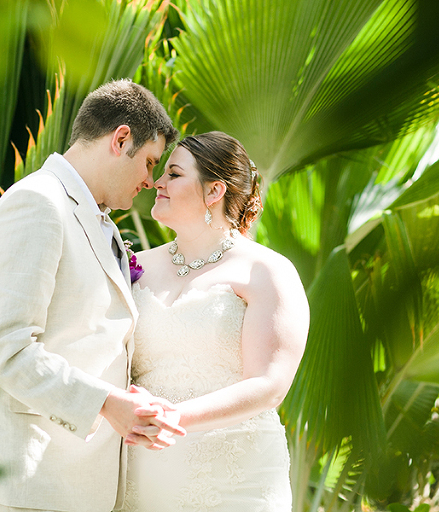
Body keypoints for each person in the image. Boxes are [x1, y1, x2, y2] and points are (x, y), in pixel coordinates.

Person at [0, 79, 186, 512]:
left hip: (74, 484)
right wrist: (105, 403)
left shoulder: (99, 221)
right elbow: (6, 349)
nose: (150, 180)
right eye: (150, 162)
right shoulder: (38, 204)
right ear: (121, 139)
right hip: (28, 481)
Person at [122, 132, 309, 511]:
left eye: (173, 174)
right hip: (145, 475)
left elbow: (269, 385)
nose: (157, 182)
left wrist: (174, 418)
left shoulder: (266, 271)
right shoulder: (134, 265)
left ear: (214, 192)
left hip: (234, 479)